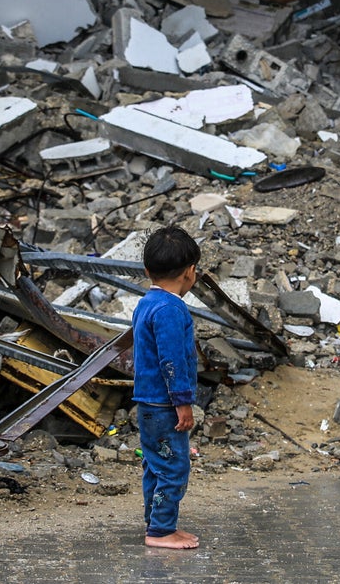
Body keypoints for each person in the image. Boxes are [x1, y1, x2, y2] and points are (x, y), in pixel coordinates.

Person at [133, 225, 201, 549]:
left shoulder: (146, 303)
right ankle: (161, 531)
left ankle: (158, 524)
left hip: (148, 403)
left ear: (148, 270)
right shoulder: (172, 309)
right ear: (190, 273)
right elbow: (171, 361)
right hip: (165, 405)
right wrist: (183, 403)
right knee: (174, 467)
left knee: (155, 466)